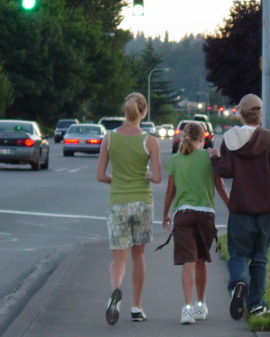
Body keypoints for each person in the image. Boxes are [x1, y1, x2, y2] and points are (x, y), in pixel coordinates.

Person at [207, 93, 270, 320]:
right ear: (260, 114)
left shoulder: (230, 138)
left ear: (241, 114)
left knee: (238, 254)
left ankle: (238, 284)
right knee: (260, 258)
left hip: (240, 207)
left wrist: (214, 157)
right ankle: (256, 304)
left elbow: (226, 171)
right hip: (265, 209)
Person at [96, 92, 161, 325]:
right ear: (143, 112)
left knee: (118, 259)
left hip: (117, 203)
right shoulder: (150, 141)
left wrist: (119, 178)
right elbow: (157, 178)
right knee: (139, 255)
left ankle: (115, 292)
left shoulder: (109, 139)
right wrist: (144, 174)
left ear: (125, 111)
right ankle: (136, 307)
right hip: (142, 202)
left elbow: (101, 175)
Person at [162, 122, 229, 324]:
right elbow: (220, 185)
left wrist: (165, 213)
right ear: (203, 137)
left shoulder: (174, 160)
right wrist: (232, 206)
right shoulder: (209, 158)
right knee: (201, 259)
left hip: (183, 214)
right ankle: (201, 304)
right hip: (205, 214)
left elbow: (170, 191)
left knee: (187, 262)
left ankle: (187, 309)